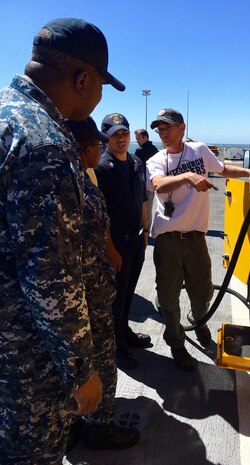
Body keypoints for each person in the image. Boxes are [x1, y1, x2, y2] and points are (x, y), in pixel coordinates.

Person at [0, 17, 125, 465]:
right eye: (100, 86)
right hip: (28, 360)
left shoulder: (5, 115)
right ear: (82, 78)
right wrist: (80, 371)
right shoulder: (44, 143)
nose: (98, 97)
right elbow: (49, 275)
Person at [147, 108, 250, 371]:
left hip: (197, 239)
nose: (163, 133)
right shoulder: (155, 160)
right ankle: (175, 342)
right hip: (168, 241)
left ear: (182, 128)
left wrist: (249, 173)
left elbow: (222, 169)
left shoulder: (199, 151)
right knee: (168, 297)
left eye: (168, 127)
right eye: (159, 129)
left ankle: (198, 322)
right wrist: (187, 176)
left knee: (203, 291)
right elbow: (159, 185)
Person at [65, 117, 140, 450]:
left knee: (73, 362)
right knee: (102, 360)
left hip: (77, 291)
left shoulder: (71, 180)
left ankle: (75, 423)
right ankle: (101, 425)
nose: (101, 149)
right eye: (97, 144)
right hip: (87, 293)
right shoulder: (80, 185)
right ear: (86, 149)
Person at [95, 113, 151, 370]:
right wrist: (110, 249)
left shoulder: (137, 163)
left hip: (137, 238)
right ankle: (116, 347)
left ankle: (125, 332)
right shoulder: (100, 168)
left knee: (129, 292)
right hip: (116, 241)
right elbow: (100, 213)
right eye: (115, 133)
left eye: (124, 133)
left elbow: (142, 200)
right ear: (105, 136)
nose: (121, 138)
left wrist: (146, 231)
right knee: (115, 297)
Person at [134, 129, 159, 230]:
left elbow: (136, 168)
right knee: (148, 208)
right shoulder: (155, 149)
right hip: (151, 182)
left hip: (141, 183)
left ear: (145, 137)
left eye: (138, 138)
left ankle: (142, 230)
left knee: (140, 208)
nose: (137, 141)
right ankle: (146, 230)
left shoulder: (139, 150)